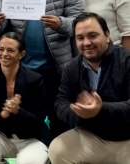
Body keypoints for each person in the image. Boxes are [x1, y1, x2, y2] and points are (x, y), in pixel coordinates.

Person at [0, 0, 84, 141]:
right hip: (22, 71)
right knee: (27, 123)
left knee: (61, 123)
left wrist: (61, 23)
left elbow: (79, 22)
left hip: (56, 69)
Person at [49, 12, 130, 163]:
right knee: (57, 150)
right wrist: (80, 113)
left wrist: (100, 110)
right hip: (94, 136)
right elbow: (61, 102)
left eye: (93, 35)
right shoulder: (72, 67)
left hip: (127, 138)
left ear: (107, 35)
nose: (86, 43)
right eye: (80, 38)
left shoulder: (126, 61)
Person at [0, 32, 48, 164]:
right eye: (1, 49)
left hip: (31, 139)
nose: (4, 54)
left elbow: (38, 121)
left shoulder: (35, 79)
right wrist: (2, 115)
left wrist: (18, 111)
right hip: (1, 137)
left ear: (21, 54)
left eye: (10, 50)